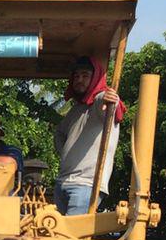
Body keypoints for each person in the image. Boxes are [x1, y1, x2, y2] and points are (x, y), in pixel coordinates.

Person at [53, 56, 126, 215]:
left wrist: (109, 97)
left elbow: (105, 101)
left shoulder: (100, 102)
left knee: (72, 235)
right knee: (57, 235)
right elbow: (59, 132)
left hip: (86, 184)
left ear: (95, 78)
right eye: (77, 76)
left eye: (85, 76)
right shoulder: (76, 110)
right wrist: (65, 152)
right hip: (63, 181)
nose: (79, 80)